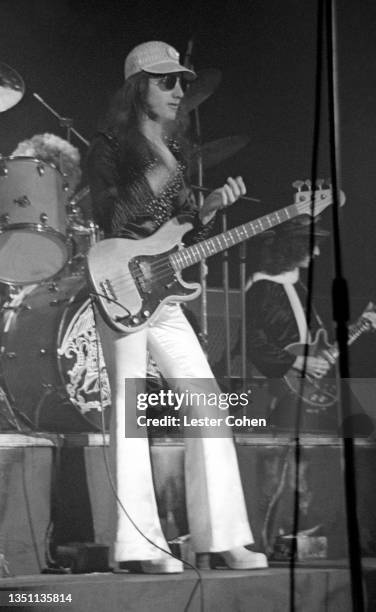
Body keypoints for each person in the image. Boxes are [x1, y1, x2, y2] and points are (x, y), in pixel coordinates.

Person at [87, 40, 267, 574]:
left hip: (164, 291)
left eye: (182, 81)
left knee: (206, 401)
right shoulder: (110, 145)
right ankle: (138, 547)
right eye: (166, 81)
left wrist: (210, 207)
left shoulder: (179, 150)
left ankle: (221, 537)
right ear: (138, 87)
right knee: (131, 409)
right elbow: (114, 216)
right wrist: (161, 168)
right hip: (120, 282)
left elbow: (184, 223)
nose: (178, 90)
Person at [245, 215, 376, 432]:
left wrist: (359, 326)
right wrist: (296, 362)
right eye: (311, 246)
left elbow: (317, 339)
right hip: (279, 386)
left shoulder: (299, 286)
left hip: (310, 386)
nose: (317, 252)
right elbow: (251, 341)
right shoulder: (262, 287)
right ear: (292, 247)